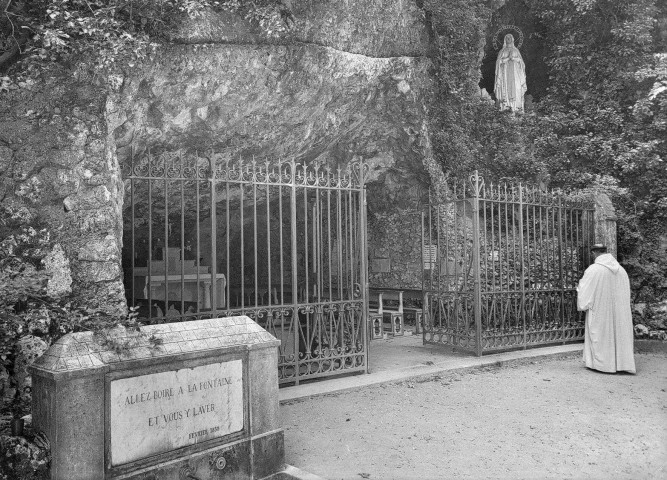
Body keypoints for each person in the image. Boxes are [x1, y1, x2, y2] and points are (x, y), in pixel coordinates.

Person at [576, 244, 636, 373]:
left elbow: (585, 291)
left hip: (600, 310)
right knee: (618, 334)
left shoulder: (593, 270)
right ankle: (621, 364)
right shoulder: (621, 270)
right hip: (619, 311)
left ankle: (602, 365)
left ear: (594, 253)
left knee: (601, 334)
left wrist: (580, 289)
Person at [494, 33, 527, 112]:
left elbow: (521, 62)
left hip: (515, 74)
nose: (509, 39)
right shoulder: (502, 51)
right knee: (505, 89)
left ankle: (516, 109)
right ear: (505, 40)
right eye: (507, 38)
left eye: (510, 37)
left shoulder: (516, 50)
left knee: (517, 88)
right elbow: (498, 62)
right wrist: (507, 59)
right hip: (505, 74)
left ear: (513, 39)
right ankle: (505, 108)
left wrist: (514, 58)